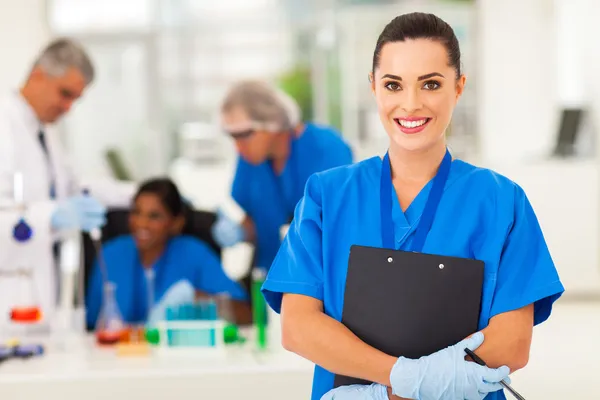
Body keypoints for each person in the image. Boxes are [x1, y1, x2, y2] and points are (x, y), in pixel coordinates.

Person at [261, 12, 564, 400]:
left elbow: (511, 344)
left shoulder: (501, 201)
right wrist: (404, 376)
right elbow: (299, 326)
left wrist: (392, 392)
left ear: (458, 87)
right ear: (373, 87)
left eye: (431, 84)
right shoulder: (327, 195)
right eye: (393, 85)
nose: (411, 104)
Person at [0, 38, 134, 322]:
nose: (68, 107)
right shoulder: (4, 124)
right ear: (38, 75)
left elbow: (77, 187)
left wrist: (138, 194)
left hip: (37, 291)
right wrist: (51, 216)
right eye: (65, 94)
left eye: (75, 99)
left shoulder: (44, 132)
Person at [211, 80, 353, 274]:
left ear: (272, 122)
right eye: (233, 137)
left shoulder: (326, 149)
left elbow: (344, 224)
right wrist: (241, 231)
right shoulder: (250, 161)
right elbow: (261, 221)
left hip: (324, 278)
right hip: (271, 275)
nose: (238, 146)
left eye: (244, 134)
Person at [86, 178, 250, 329]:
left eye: (154, 216)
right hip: (118, 357)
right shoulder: (110, 255)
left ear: (176, 223)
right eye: (136, 212)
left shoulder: (194, 253)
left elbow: (246, 314)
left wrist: (195, 299)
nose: (142, 223)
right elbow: (91, 324)